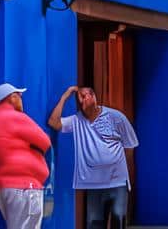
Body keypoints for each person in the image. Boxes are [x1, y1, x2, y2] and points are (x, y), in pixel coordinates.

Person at [49, 85, 139, 228]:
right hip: (93, 185)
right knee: (94, 224)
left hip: (117, 183)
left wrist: (117, 168)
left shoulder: (116, 117)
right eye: (79, 98)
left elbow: (130, 146)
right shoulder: (77, 120)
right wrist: (65, 96)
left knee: (118, 221)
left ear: (94, 97)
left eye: (85, 96)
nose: (82, 100)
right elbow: (54, 123)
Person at [0, 82, 52, 229]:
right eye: (20, 96)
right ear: (12, 98)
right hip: (25, 187)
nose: (22, 100)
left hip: (4, 188)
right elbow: (46, 142)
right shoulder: (15, 117)